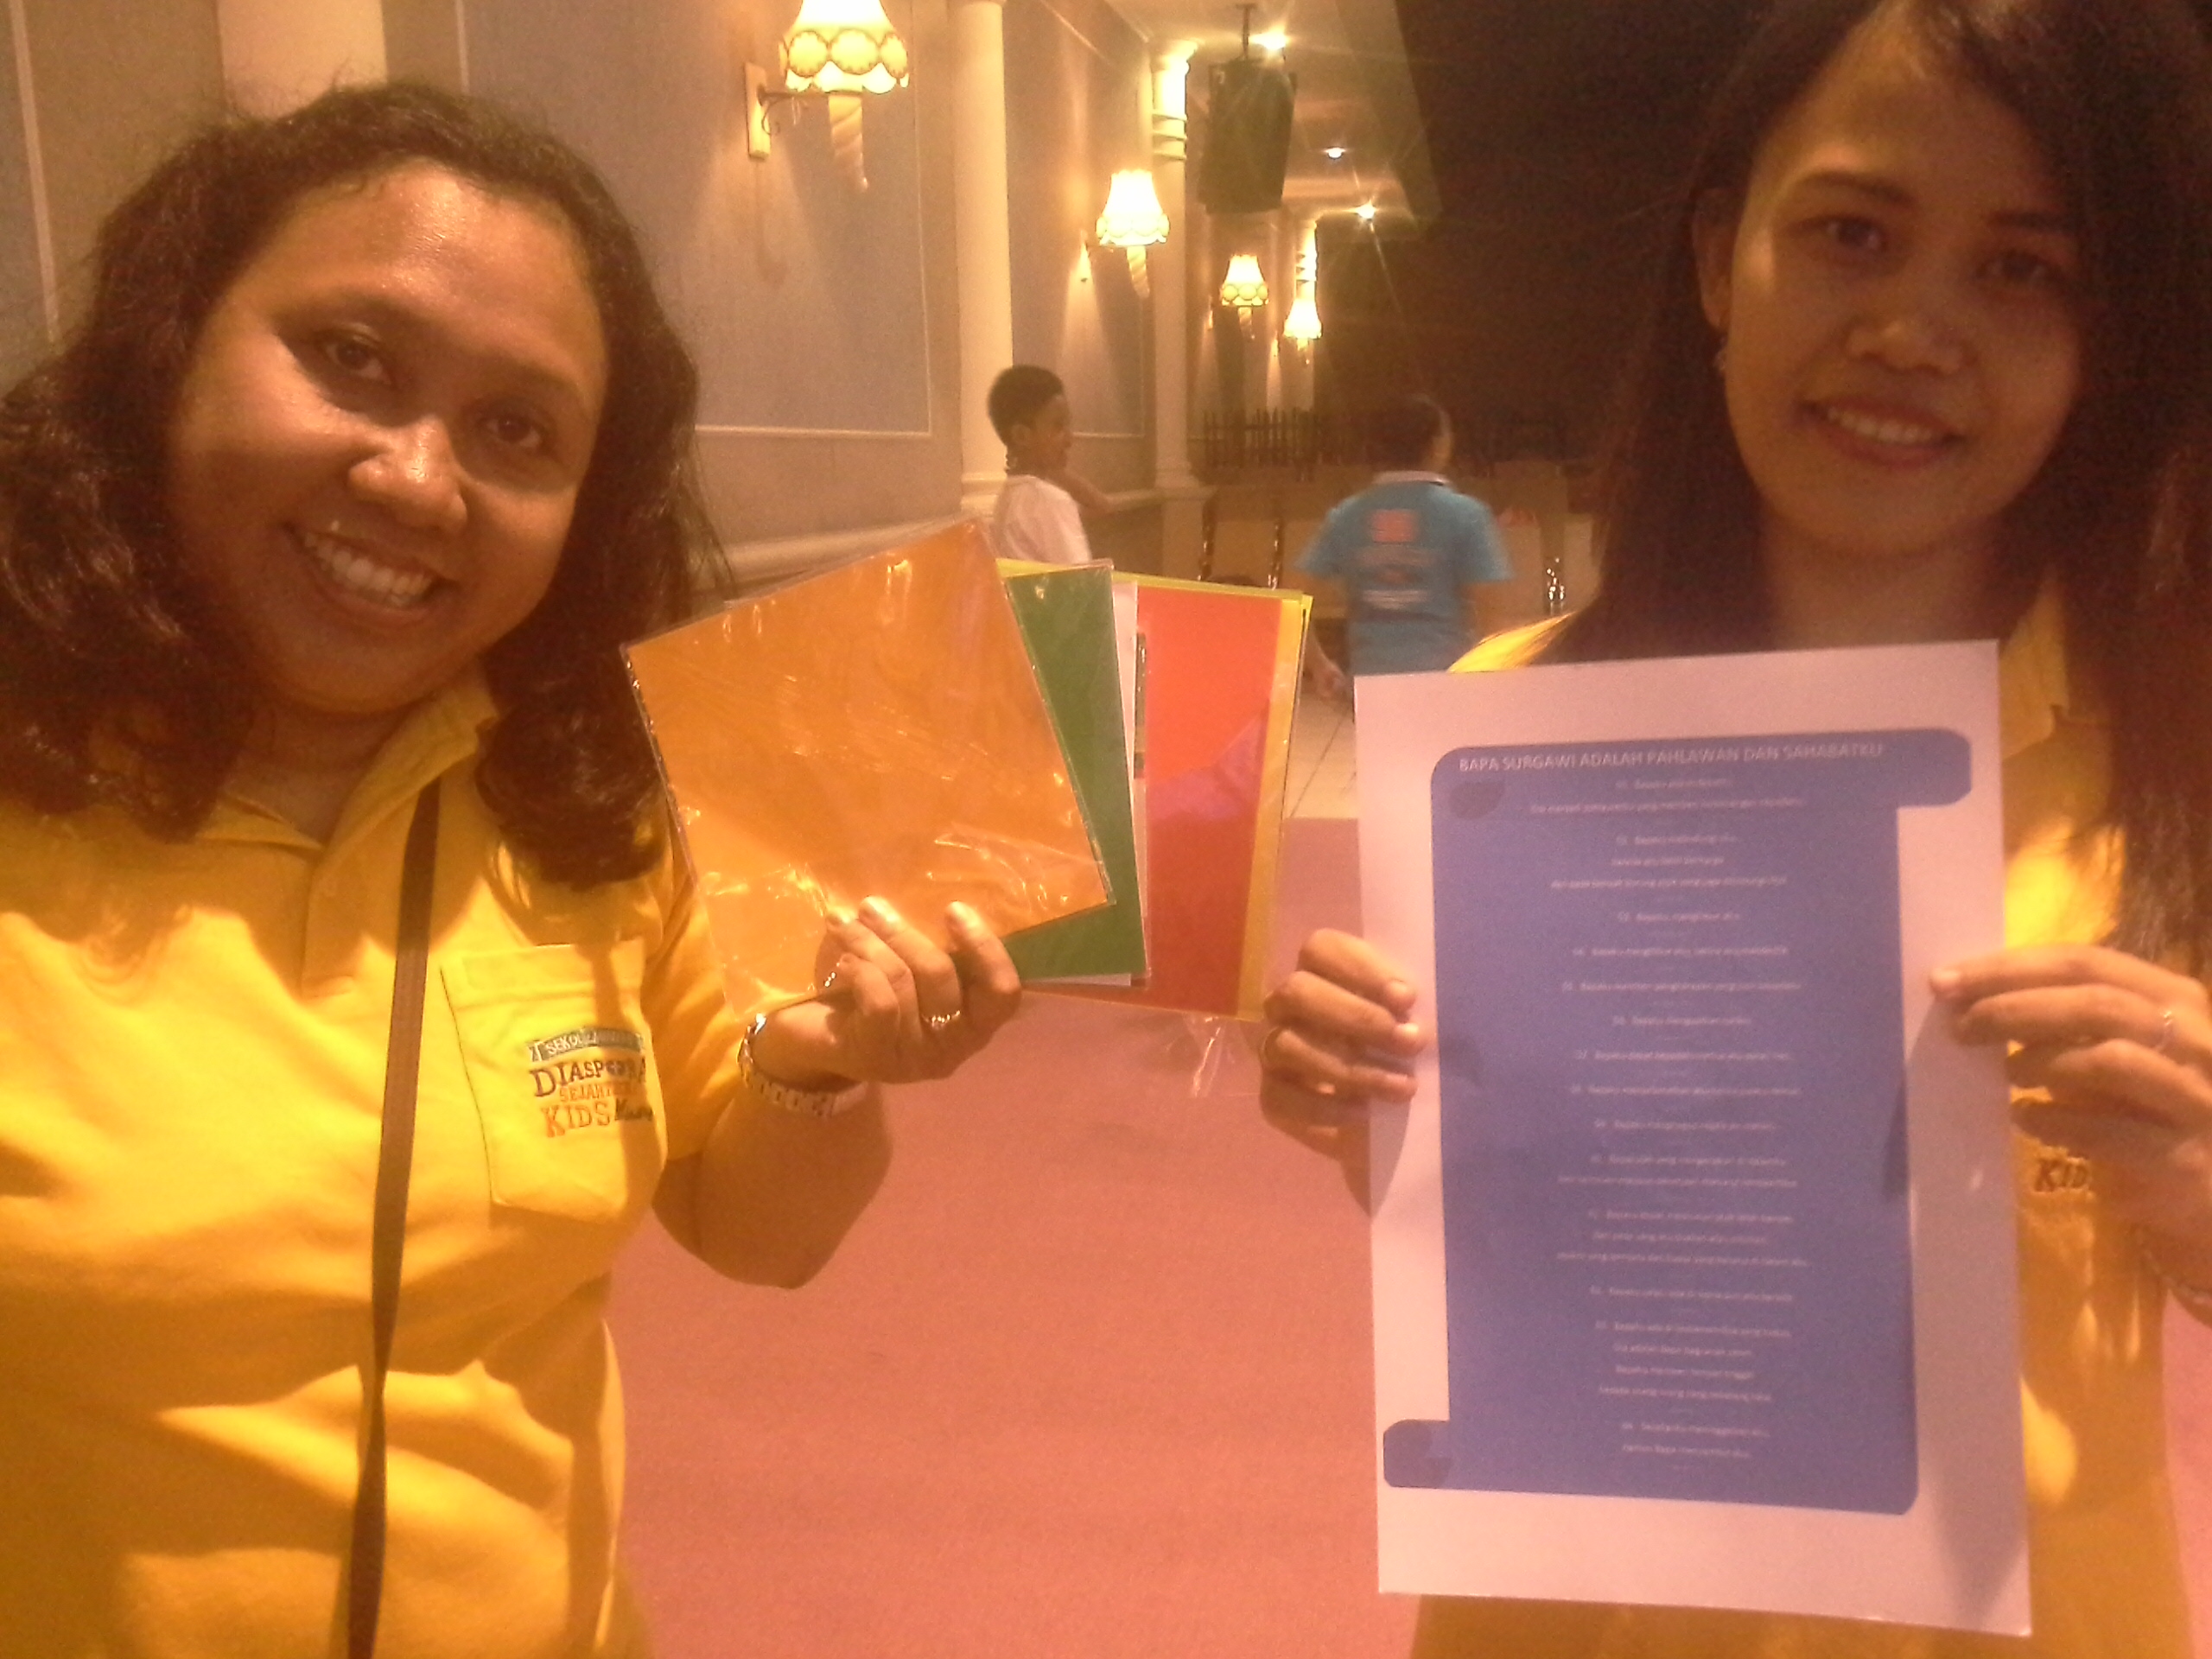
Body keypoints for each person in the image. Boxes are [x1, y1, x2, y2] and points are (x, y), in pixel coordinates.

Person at [0, 84, 1022, 1656]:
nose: (419, 479)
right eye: (352, 358)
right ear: (171, 349)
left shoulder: (590, 807)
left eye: (517, 432)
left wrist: (821, 1067)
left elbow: (765, 1234)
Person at [1257, 0, 2212, 1654]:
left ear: (2101, 334)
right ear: (1720, 262)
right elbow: (1516, 1255)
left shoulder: (2174, 757)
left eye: (2020, 269)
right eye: (1853, 235)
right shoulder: (1512, 738)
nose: (1912, 330)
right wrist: (1382, 1112)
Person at [1294, 392, 1512, 696]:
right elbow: (1494, 616)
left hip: (1370, 689)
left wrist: (1317, 664)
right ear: (1438, 445)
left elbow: (1292, 600)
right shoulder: (1466, 515)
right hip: (1447, 686)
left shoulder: (1347, 516)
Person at [987, 363, 1106, 565]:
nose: (1069, 439)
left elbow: (1101, 505)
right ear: (1021, 435)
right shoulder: (1050, 501)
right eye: (1058, 427)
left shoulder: (1008, 496)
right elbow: (1080, 579)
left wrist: (1050, 467)